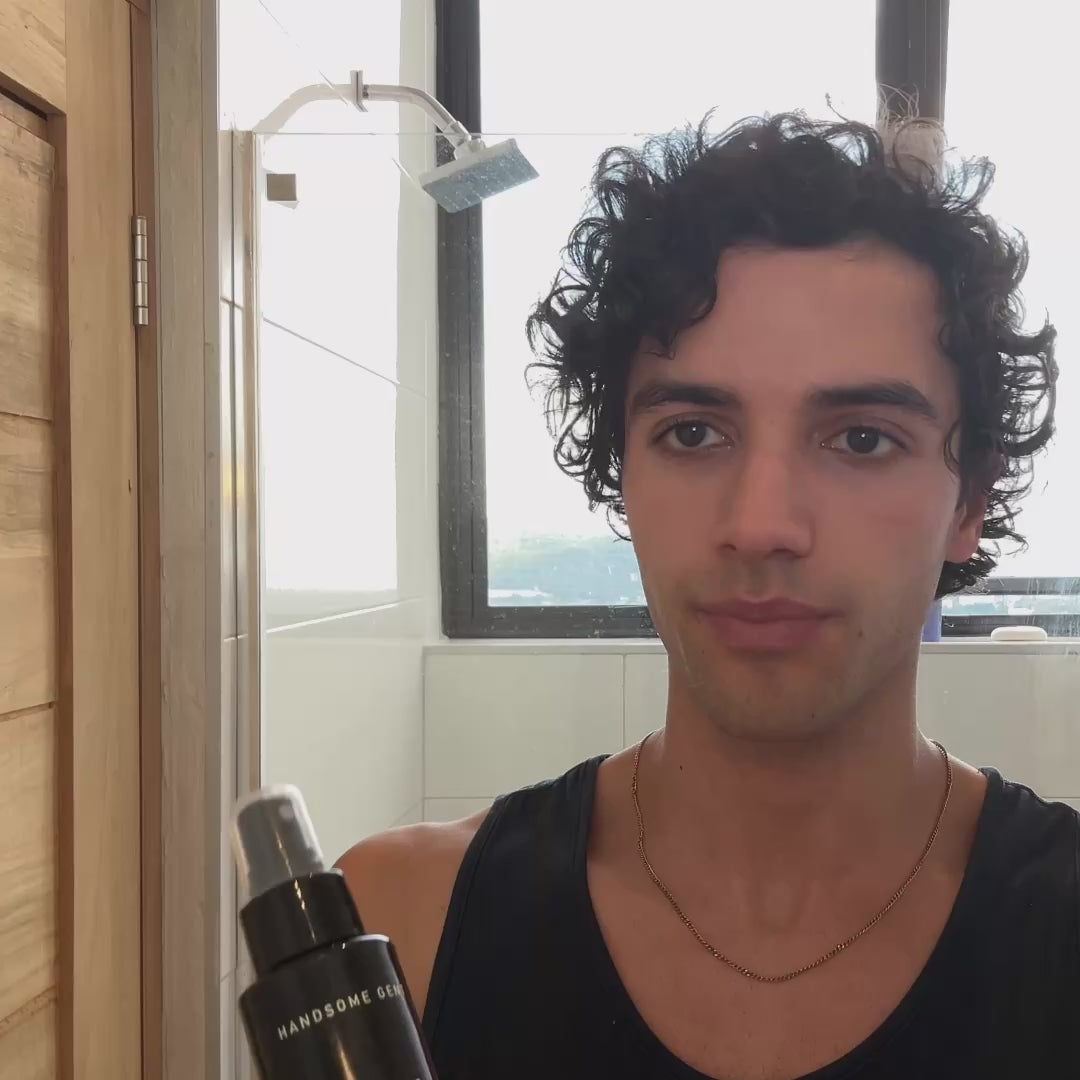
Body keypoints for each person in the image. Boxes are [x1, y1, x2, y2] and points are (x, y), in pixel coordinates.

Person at [337, 111, 1077, 1079]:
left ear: (968, 503)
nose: (761, 524)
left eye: (862, 439)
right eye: (693, 433)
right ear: (624, 475)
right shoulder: (397, 922)